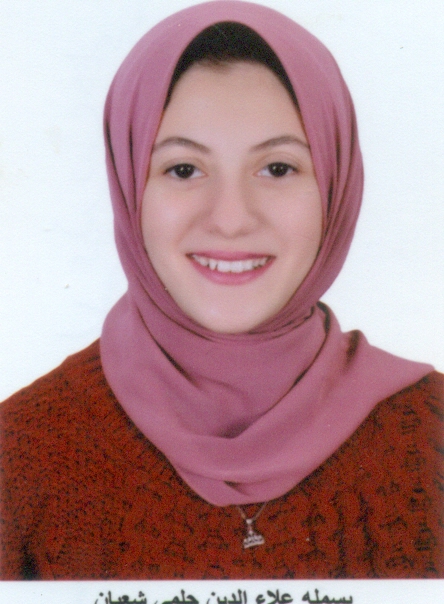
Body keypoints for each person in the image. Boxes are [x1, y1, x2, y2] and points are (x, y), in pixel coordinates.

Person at [0, 0, 442, 580]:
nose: (231, 220)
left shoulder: (431, 432)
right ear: (129, 187)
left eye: (277, 168)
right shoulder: (21, 455)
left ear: (337, 185)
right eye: (184, 170)